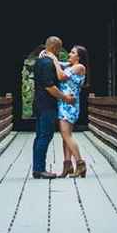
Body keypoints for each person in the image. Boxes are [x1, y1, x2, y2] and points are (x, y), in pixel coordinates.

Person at [32, 36, 75, 179]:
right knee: (45, 135)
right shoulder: (47, 63)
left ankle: (37, 168)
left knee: (39, 136)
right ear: (55, 48)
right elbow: (50, 87)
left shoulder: (39, 61)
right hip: (47, 105)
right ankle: (39, 170)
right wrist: (65, 97)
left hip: (38, 103)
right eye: (59, 48)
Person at [42, 45, 88, 178]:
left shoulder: (79, 67)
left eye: (72, 52)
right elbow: (61, 65)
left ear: (79, 57)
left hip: (70, 104)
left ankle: (80, 163)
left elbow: (61, 76)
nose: (69, 54)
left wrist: (54, 60)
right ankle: (67, 165)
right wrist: (49, 56)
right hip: (65, 103)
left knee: (66, 135)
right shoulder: (70, 65)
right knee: (65, 136)